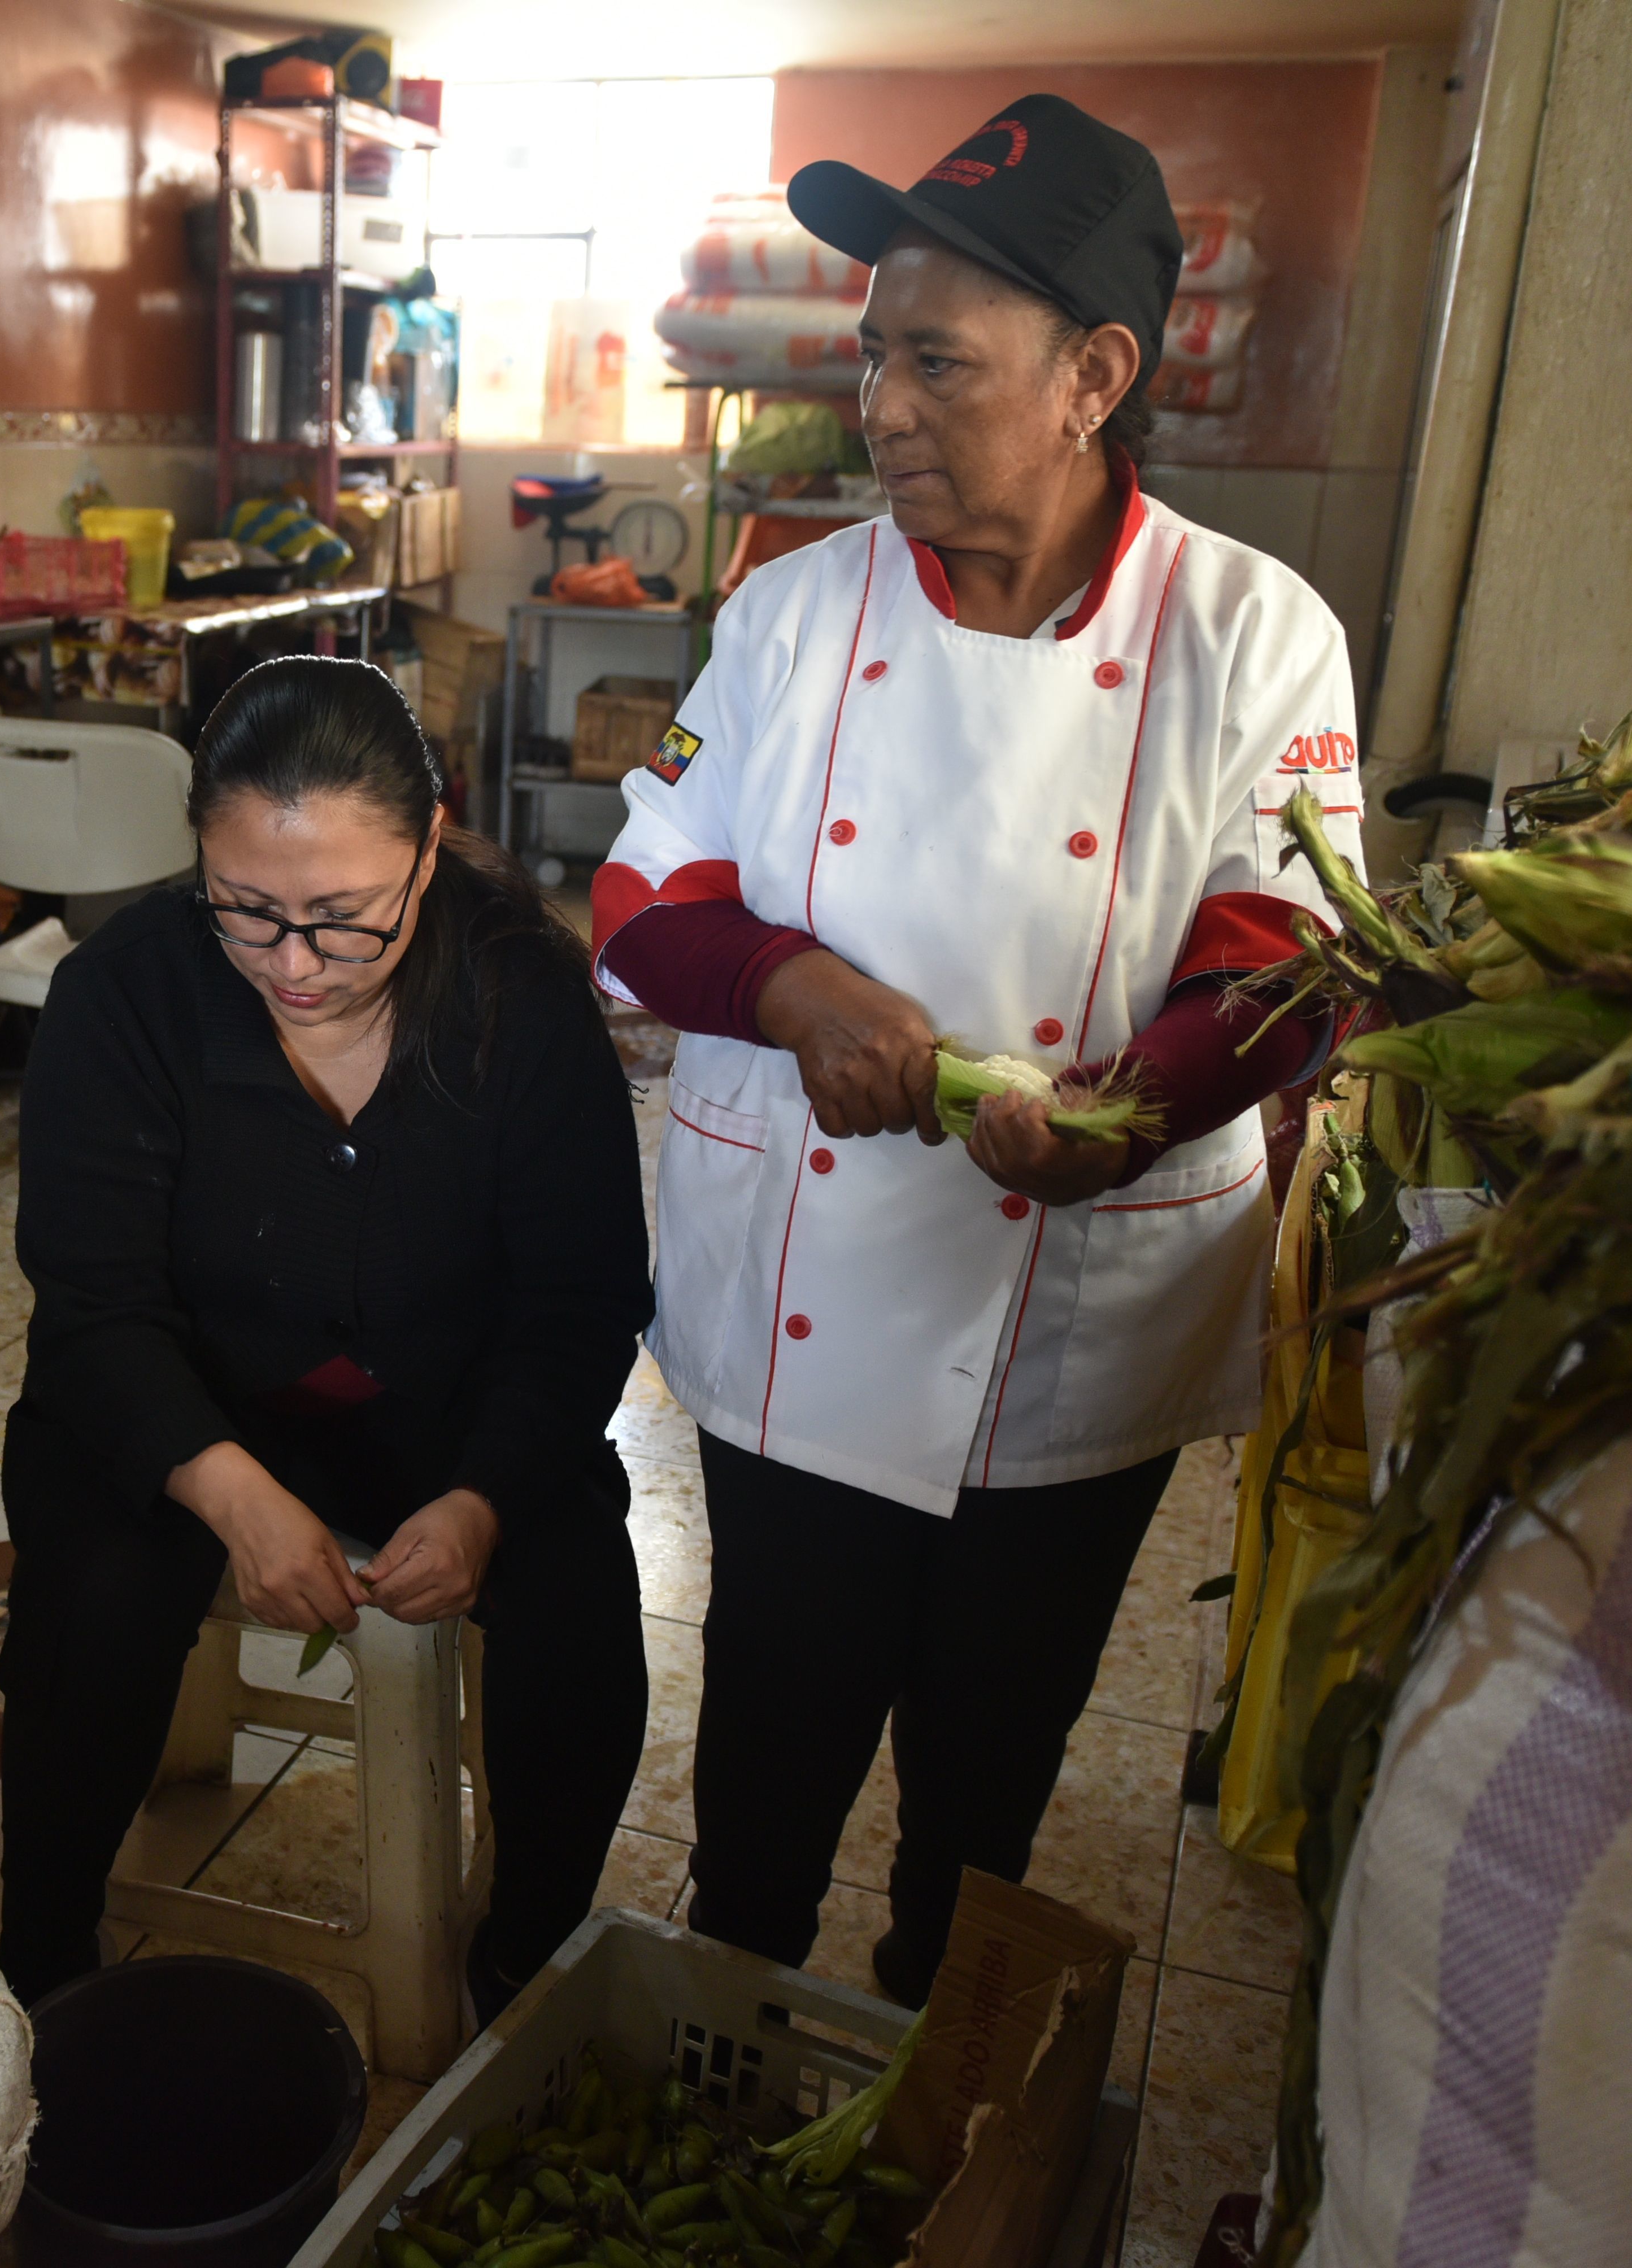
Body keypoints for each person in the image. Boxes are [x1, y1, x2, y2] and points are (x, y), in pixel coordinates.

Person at [592, 95, 1365, 2003]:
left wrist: (1134, 1110)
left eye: (936, 361)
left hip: (1078, 1320)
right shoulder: (790, 613)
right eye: (874, 354)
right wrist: (796, 990)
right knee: (765, 1763)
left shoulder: (1252, 632)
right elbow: (640, 896)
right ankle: (734, 2032)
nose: (881, 407)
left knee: (987, 1779)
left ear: (1093, 376)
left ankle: (931, 2048)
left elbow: (1287, 956)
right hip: (803, 1307)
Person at [0, 656, 653, 2018]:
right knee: (91, 1592)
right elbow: (95, 1308)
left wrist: (479, 1498)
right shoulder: (124, 995)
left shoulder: (520, 996)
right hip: (186, 1401)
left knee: (579, 1606)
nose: (292, 965)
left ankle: (523, 1968)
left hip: (447, 1407)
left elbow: (578, 1300)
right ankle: (41, 1957)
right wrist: (233, 1494)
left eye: (344, 918)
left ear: (427, 846)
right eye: (244, 910)